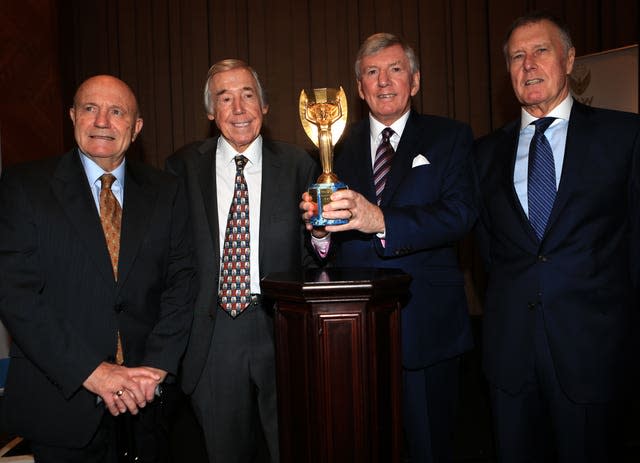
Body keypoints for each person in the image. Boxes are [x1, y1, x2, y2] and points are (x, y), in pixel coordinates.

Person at [300, 33, 478, 462]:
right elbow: (324, 250)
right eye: (371, 73)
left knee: (432, 449)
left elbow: (461, 215)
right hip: (352, 336)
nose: (383, 82)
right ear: (358, 89)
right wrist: (319, 234)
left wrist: (380, 220)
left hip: (428, 329)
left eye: (395, 70)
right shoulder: (333, 146)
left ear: (415, 81)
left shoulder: (450, 136)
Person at [0, 75, 196, 462]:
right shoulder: (24, 187)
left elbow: (182, 281)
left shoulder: (167, 191)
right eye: (90, 108)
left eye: (117, 111)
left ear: (136, 128)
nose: (102, 121)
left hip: (147, 403)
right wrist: (93, 371)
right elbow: (15, 294)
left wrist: (155, 368)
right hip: (63, 402)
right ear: (73, 116)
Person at [474, 11, 640, 462]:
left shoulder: (625, 136)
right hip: (510, 357)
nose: (528, 65)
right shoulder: (485, 154)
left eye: (540, 51)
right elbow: (488, 251)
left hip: (594, 354)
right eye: (516, 56)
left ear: (568, 60)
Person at [166, 59, 318, 463]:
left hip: (280, 327)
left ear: (264, 106)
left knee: (293, 447)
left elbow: (314, 254)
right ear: (210, 113)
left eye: (247, 95)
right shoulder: (181, 167)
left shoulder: (299, 165)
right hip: (212, 333)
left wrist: (320, 236)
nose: (238, 109)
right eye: (225, 98)